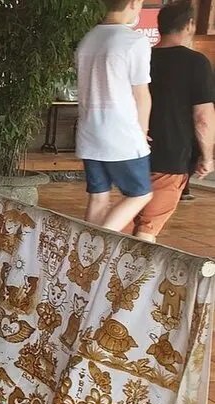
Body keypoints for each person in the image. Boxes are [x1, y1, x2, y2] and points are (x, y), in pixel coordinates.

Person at [128, 1, 215, 242]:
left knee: (128, 217)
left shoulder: (142, 58)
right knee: (147, 228)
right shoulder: (196, 63)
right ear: (189, 25)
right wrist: (207, 156)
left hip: (131, 150)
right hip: (171, 156)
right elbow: (203, 117)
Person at [75, 0, 153, 232]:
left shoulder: (88, 39)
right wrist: (142, 133)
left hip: (89, 131)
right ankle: (99, 243)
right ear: (133, 3)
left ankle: (85, 250)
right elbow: (141, 95)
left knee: (99, 197)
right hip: (121, 132)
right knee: (140, 194)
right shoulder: (134, 41)